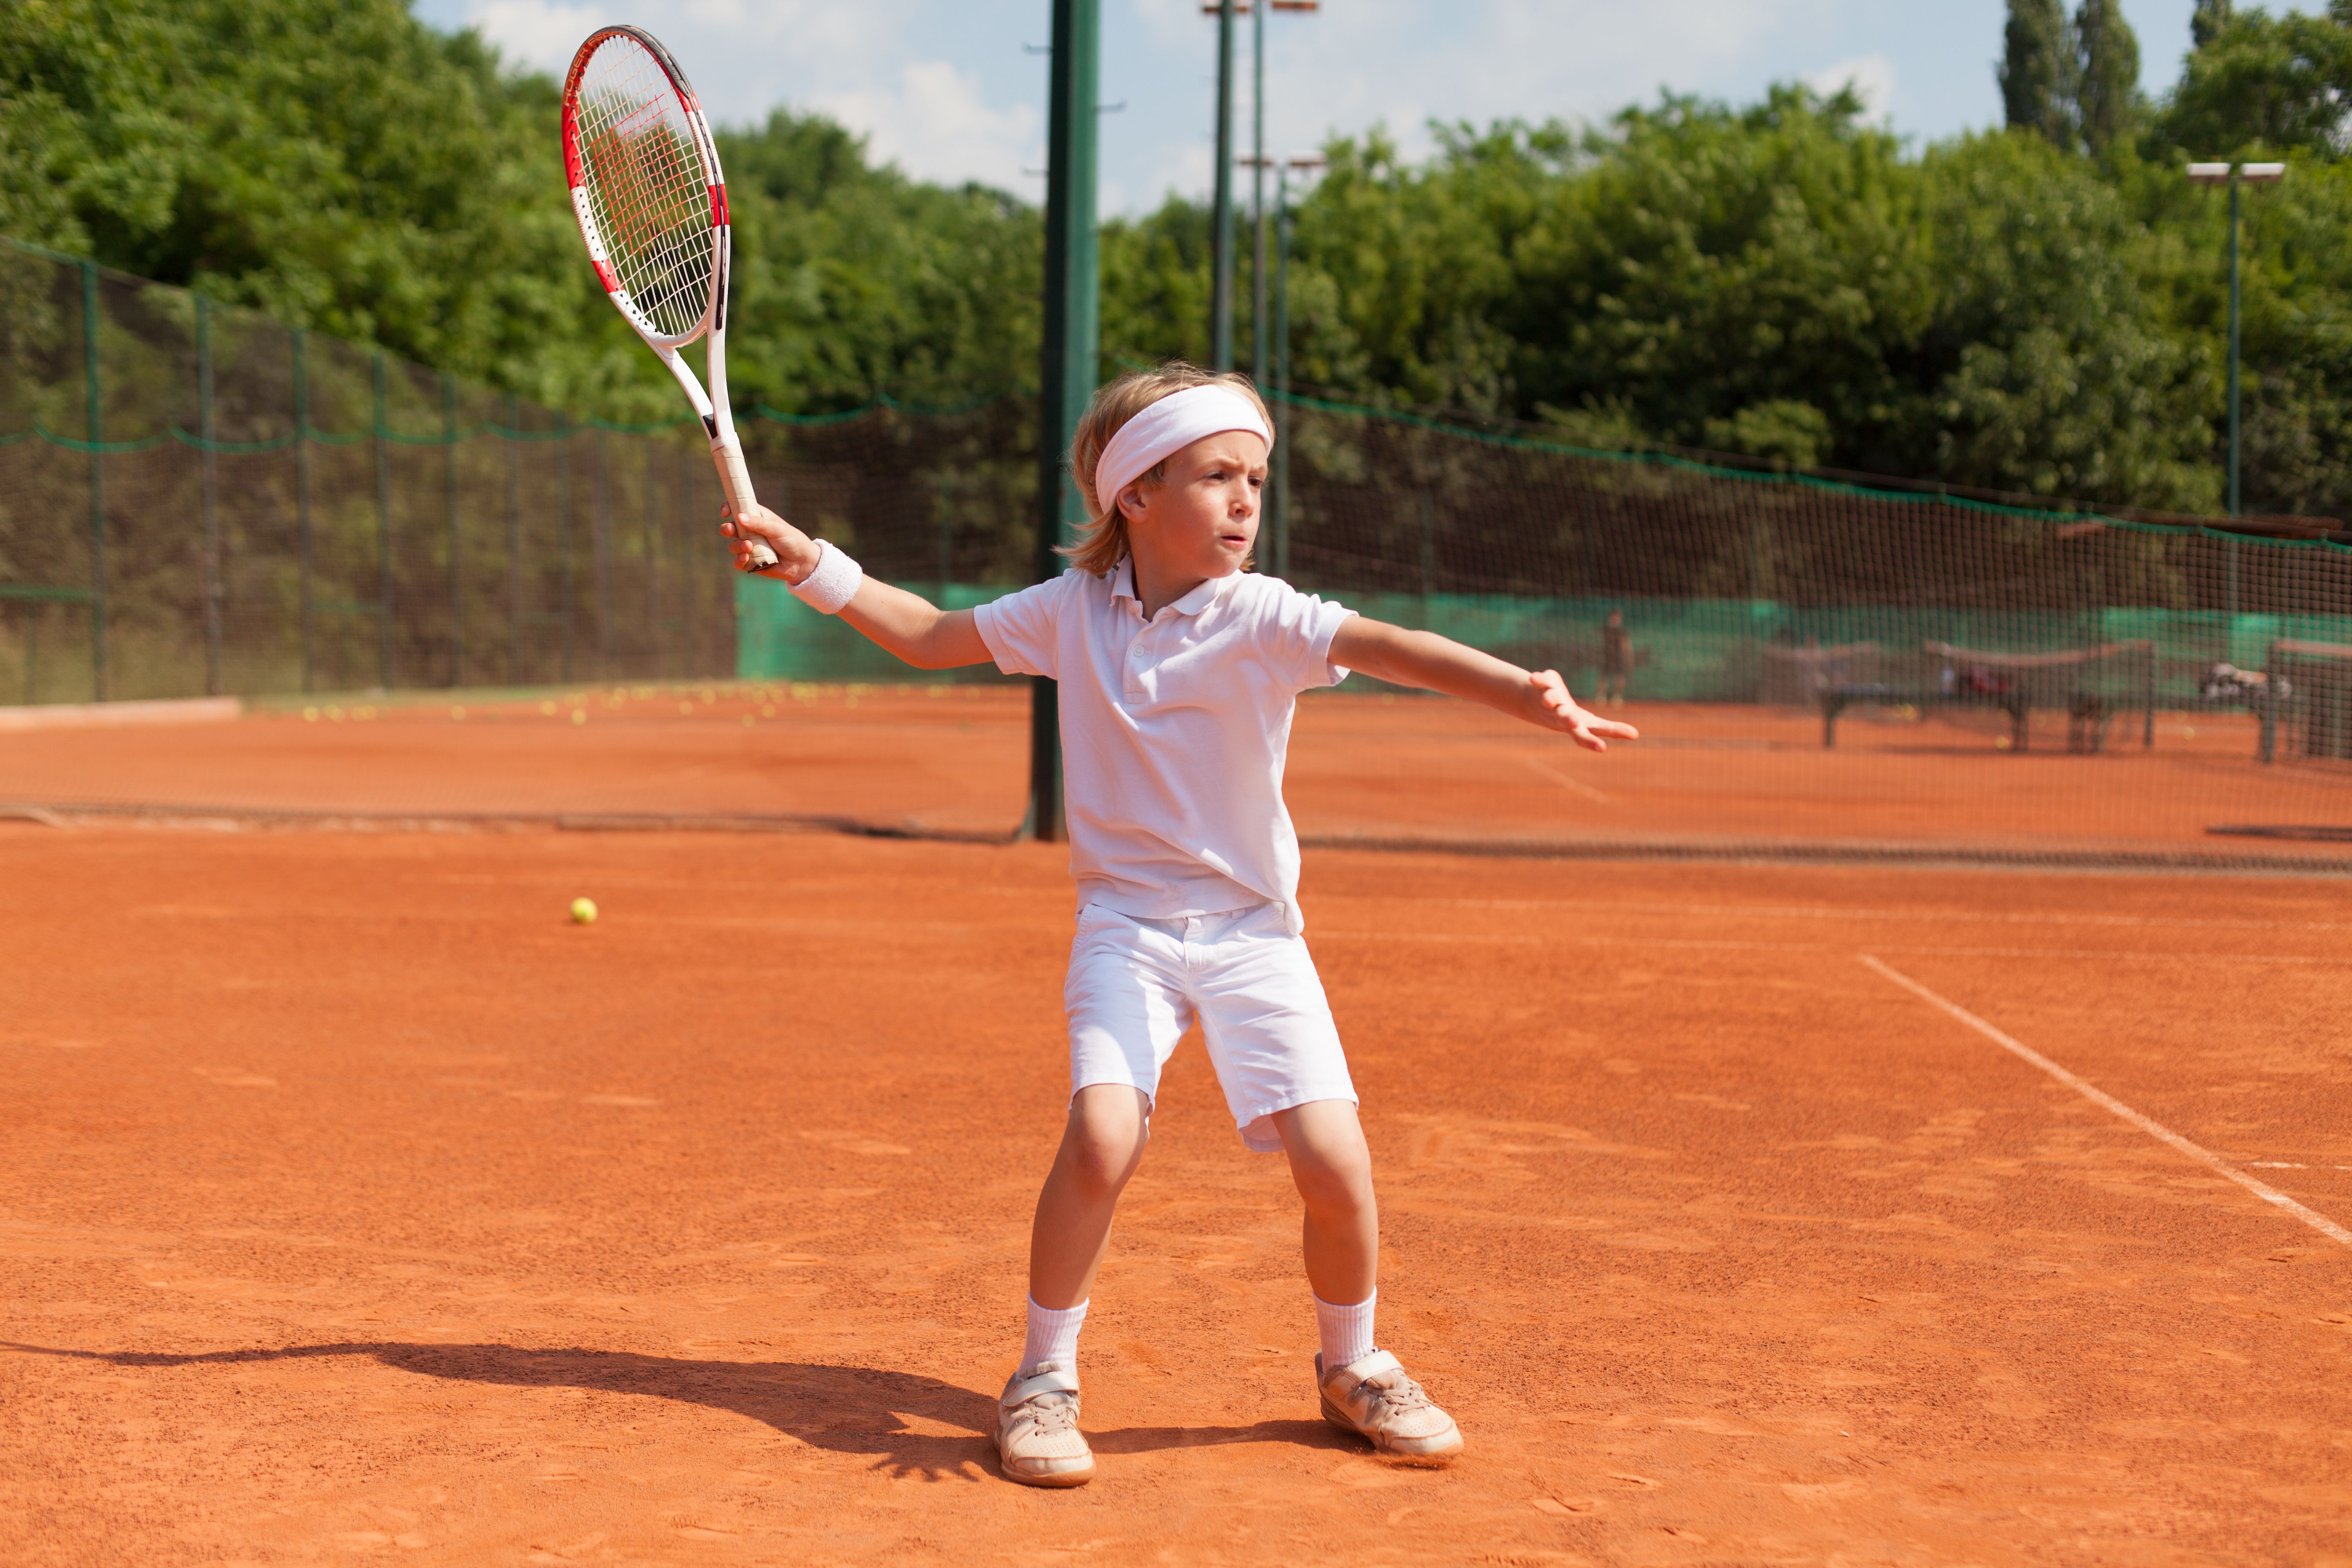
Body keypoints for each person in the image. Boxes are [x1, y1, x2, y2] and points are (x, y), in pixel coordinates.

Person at [723, 362, 1637, 1488]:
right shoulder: (1070, 612)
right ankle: (1041, 1380)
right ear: (1134, 497)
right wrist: (808, 563)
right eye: (1216, 475)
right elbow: (924, 631)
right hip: (1128, 925)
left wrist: (1523, 689)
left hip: (1255, 933)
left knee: (1333, 1159)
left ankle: (1353, 1365)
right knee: (1103, 1134)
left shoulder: (1264, 616)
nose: (1247, 498)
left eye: (1255, 476)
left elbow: (1390, 645)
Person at [1599, 608, 1631, 707]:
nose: (1616, 619)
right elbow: (1599, 642)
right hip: (1607, 657)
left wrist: (1628, 657)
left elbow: (1626, 645)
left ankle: (1617, 697)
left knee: (1620, 678)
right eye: (1614, 617)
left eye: (1618, 617)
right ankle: (1601, 697)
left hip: (1619, 658)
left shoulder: (1622, 631)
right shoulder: (1605, 630)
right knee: (1604, 678)